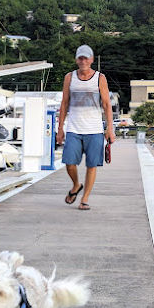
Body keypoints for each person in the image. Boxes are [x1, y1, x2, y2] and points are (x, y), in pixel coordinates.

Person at [56, 45, 116, 210]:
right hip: (74, 128)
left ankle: (85, 199)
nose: (83, 61)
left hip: (94, 129)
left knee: (92, 165)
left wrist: (110, 128)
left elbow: (106, 104)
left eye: (86, 58)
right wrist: (60, 128)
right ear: (76, 59)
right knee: (69, 162)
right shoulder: (69, 77)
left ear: (91, 60)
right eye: (80, 58)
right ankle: (76, 184)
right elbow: (64, 103)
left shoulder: (99, 78)